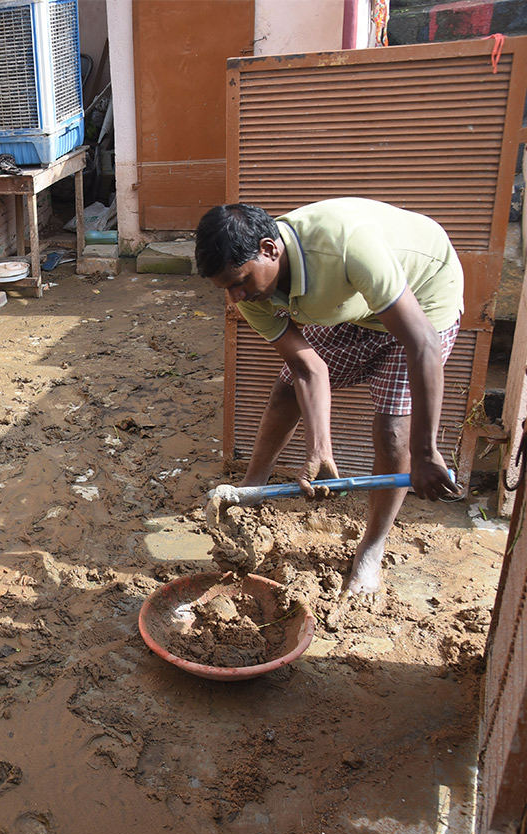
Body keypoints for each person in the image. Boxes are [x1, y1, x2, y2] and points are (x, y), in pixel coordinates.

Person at [194, 197, 465, 599]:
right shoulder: (252, 293)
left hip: (422, 300)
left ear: (269, 250)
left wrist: (425, 452)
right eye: (226, 288)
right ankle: (250, 489)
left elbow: (421, 342)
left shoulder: (345, 244)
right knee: (286, 390)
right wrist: (319, 450)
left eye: (240, 282)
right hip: (353, 308)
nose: (235, 297)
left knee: (393, 431)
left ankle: (371, 548)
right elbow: (308, 369)